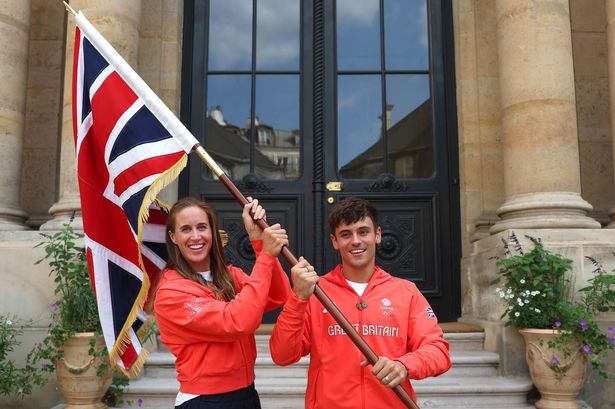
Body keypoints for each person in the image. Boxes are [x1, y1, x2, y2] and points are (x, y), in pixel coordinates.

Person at [269, 197, 451, 408]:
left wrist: (403, 365)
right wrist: (298, 298)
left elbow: (438, 351)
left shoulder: (405, 292)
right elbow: (282, 355)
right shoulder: (316, 292)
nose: (355, 241)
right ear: (335, 241)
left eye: (363, 232)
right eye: (346, 234)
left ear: (378, 235)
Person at [154, 197, 290, 409]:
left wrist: (258, 241)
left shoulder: (228, 275)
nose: (196, 236)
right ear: (173, 236)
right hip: (205, 399)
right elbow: (237, 321)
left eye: (202, 227)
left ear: (212, 232)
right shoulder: (171, 293)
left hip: (246, 392)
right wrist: (265, 256)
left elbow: (277, 295)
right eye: (186, 229)